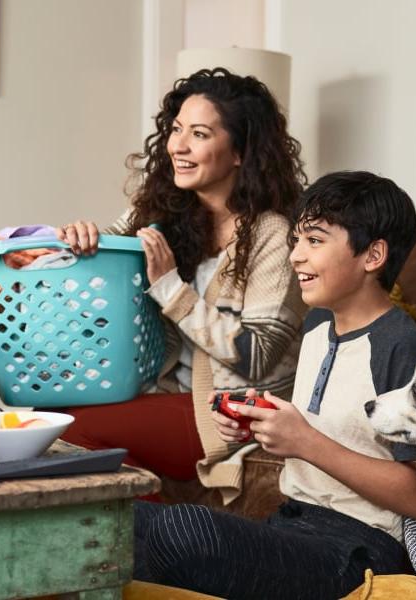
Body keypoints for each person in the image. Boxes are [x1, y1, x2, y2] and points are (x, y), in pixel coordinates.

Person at [133, 171, 416, 599]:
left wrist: (305, 442)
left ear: (373, 255)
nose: (295, 257)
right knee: (114, 517)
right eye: (296, 241)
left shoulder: (405, 348)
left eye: (315, 241)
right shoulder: (318, 326)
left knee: (182, 529)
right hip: (291, 523)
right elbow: (330, 426)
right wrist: (259, 424)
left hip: (354, 551)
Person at [55, 68, 309, 495]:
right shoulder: (163, 211)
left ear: (240, 152)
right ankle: (153, 531)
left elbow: (258, 354)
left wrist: (171, 288)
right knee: (44, 414)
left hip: (228, 415)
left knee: (68, 428)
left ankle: (149, 543)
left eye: (200, 134)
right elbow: (101, 259)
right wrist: (79, 240)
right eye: (176, 130)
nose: (179, 146)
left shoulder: (272, 234)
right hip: (166, 395)